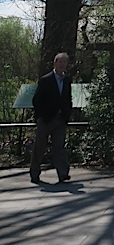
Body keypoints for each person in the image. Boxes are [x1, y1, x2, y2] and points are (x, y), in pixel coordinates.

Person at [30, 52, 72, 184]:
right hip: (46, 119)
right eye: (60, 62)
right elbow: (37, 100)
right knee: (40, 147)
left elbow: (67, 98)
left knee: (59, 146)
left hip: (60, 119)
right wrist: (40, 117)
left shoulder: (67, 80)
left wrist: (67, 114)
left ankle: (63, 174)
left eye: (64, 63)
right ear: (55, 63)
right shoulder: (46, 79)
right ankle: (35, 173)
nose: (62, 65)